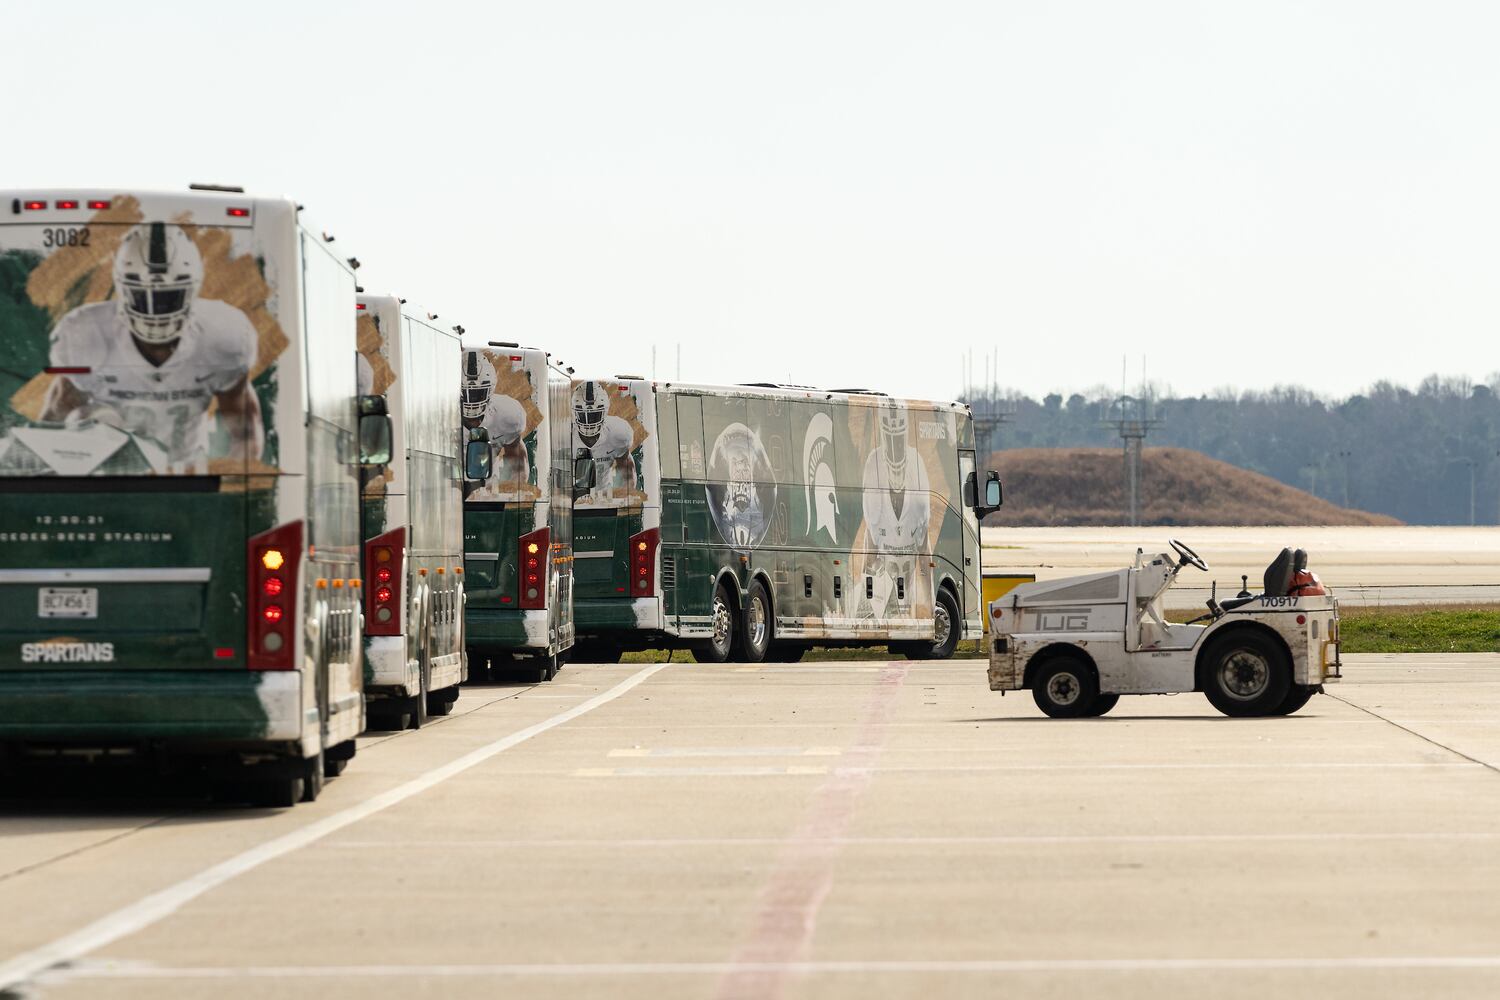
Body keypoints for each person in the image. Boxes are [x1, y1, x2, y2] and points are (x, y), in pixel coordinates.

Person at [40, 222, 262, 472]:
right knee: (92, 417)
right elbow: (55, 419)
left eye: (168, 297)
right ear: (122, 290)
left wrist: (236, 490)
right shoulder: (86, 333)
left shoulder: (222, 336)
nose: (155, 310)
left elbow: (245, 430)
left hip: (184, 476)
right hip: (107, 475)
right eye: (141, 295)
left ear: (192, 292)